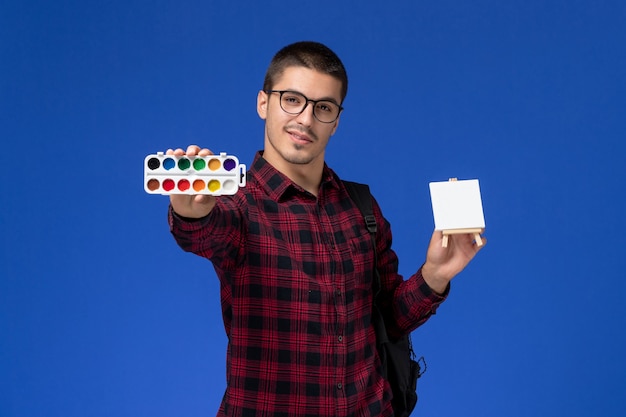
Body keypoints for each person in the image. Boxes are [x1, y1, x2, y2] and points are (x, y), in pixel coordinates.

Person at [167, 41, 486, 417]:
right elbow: (203, 233)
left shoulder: (361, 207)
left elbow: (390, 321)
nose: (305, 119)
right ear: (263, 103)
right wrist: (189, 211)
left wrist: (435, 275)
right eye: (291, 99)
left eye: (323, 107)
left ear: (336, 121)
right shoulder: (238, 206)